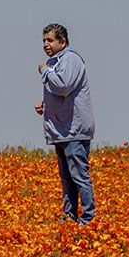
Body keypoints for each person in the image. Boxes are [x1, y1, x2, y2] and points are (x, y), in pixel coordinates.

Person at [36, 24, 94, 224]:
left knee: (79, 175)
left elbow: (63, 86)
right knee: (67, 177)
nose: (46, 44)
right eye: (44, 40)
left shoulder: (70, 60)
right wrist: (45, 105)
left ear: (63, 42)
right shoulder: (58, 62)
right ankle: (69, 216)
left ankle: (88, 218)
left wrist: (44, 70)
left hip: (73, 130)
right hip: (62, 130)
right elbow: (61, 92)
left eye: (50, 40)